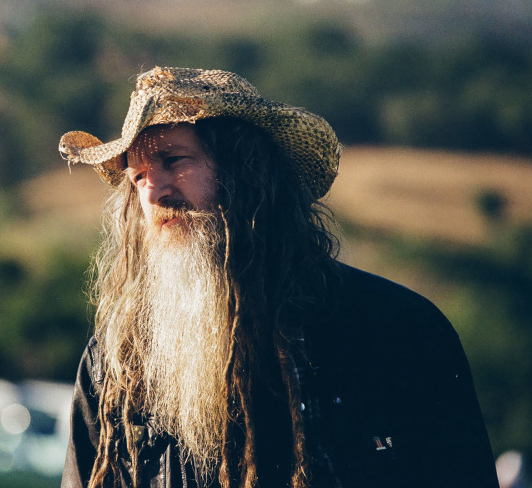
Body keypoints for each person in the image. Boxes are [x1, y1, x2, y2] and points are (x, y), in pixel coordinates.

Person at [58, 66, 499, 488]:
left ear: (247, 171)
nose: (153, 192)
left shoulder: (398, 329)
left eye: (173, 160)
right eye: (138, 177)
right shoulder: (118, 364)